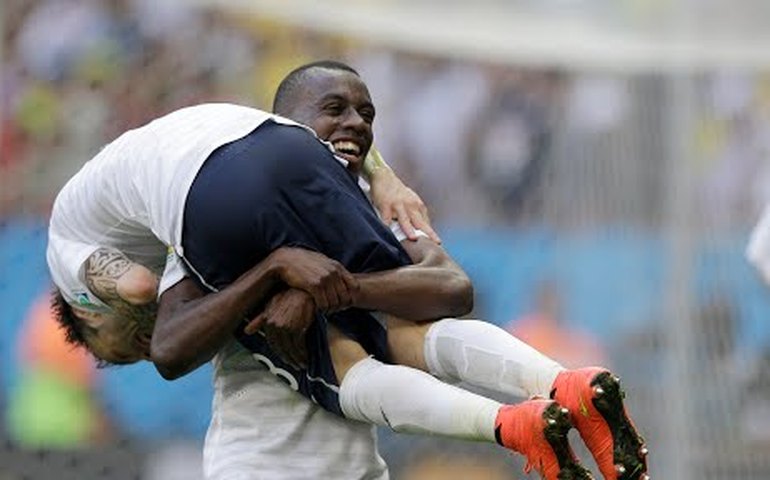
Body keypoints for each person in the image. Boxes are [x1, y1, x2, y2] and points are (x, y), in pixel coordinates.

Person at [48, 61, 647, 480]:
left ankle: (508, 426)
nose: (140, 335)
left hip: (258, 467)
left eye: (122, 344)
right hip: (358, 466)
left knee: (344, 366)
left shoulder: (82, 251)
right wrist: (379, 176)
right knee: (398, 329)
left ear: (83, 313)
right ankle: (564, 382)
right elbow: (450, 289)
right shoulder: (265, 158)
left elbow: (146, 304)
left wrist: (276, 274)